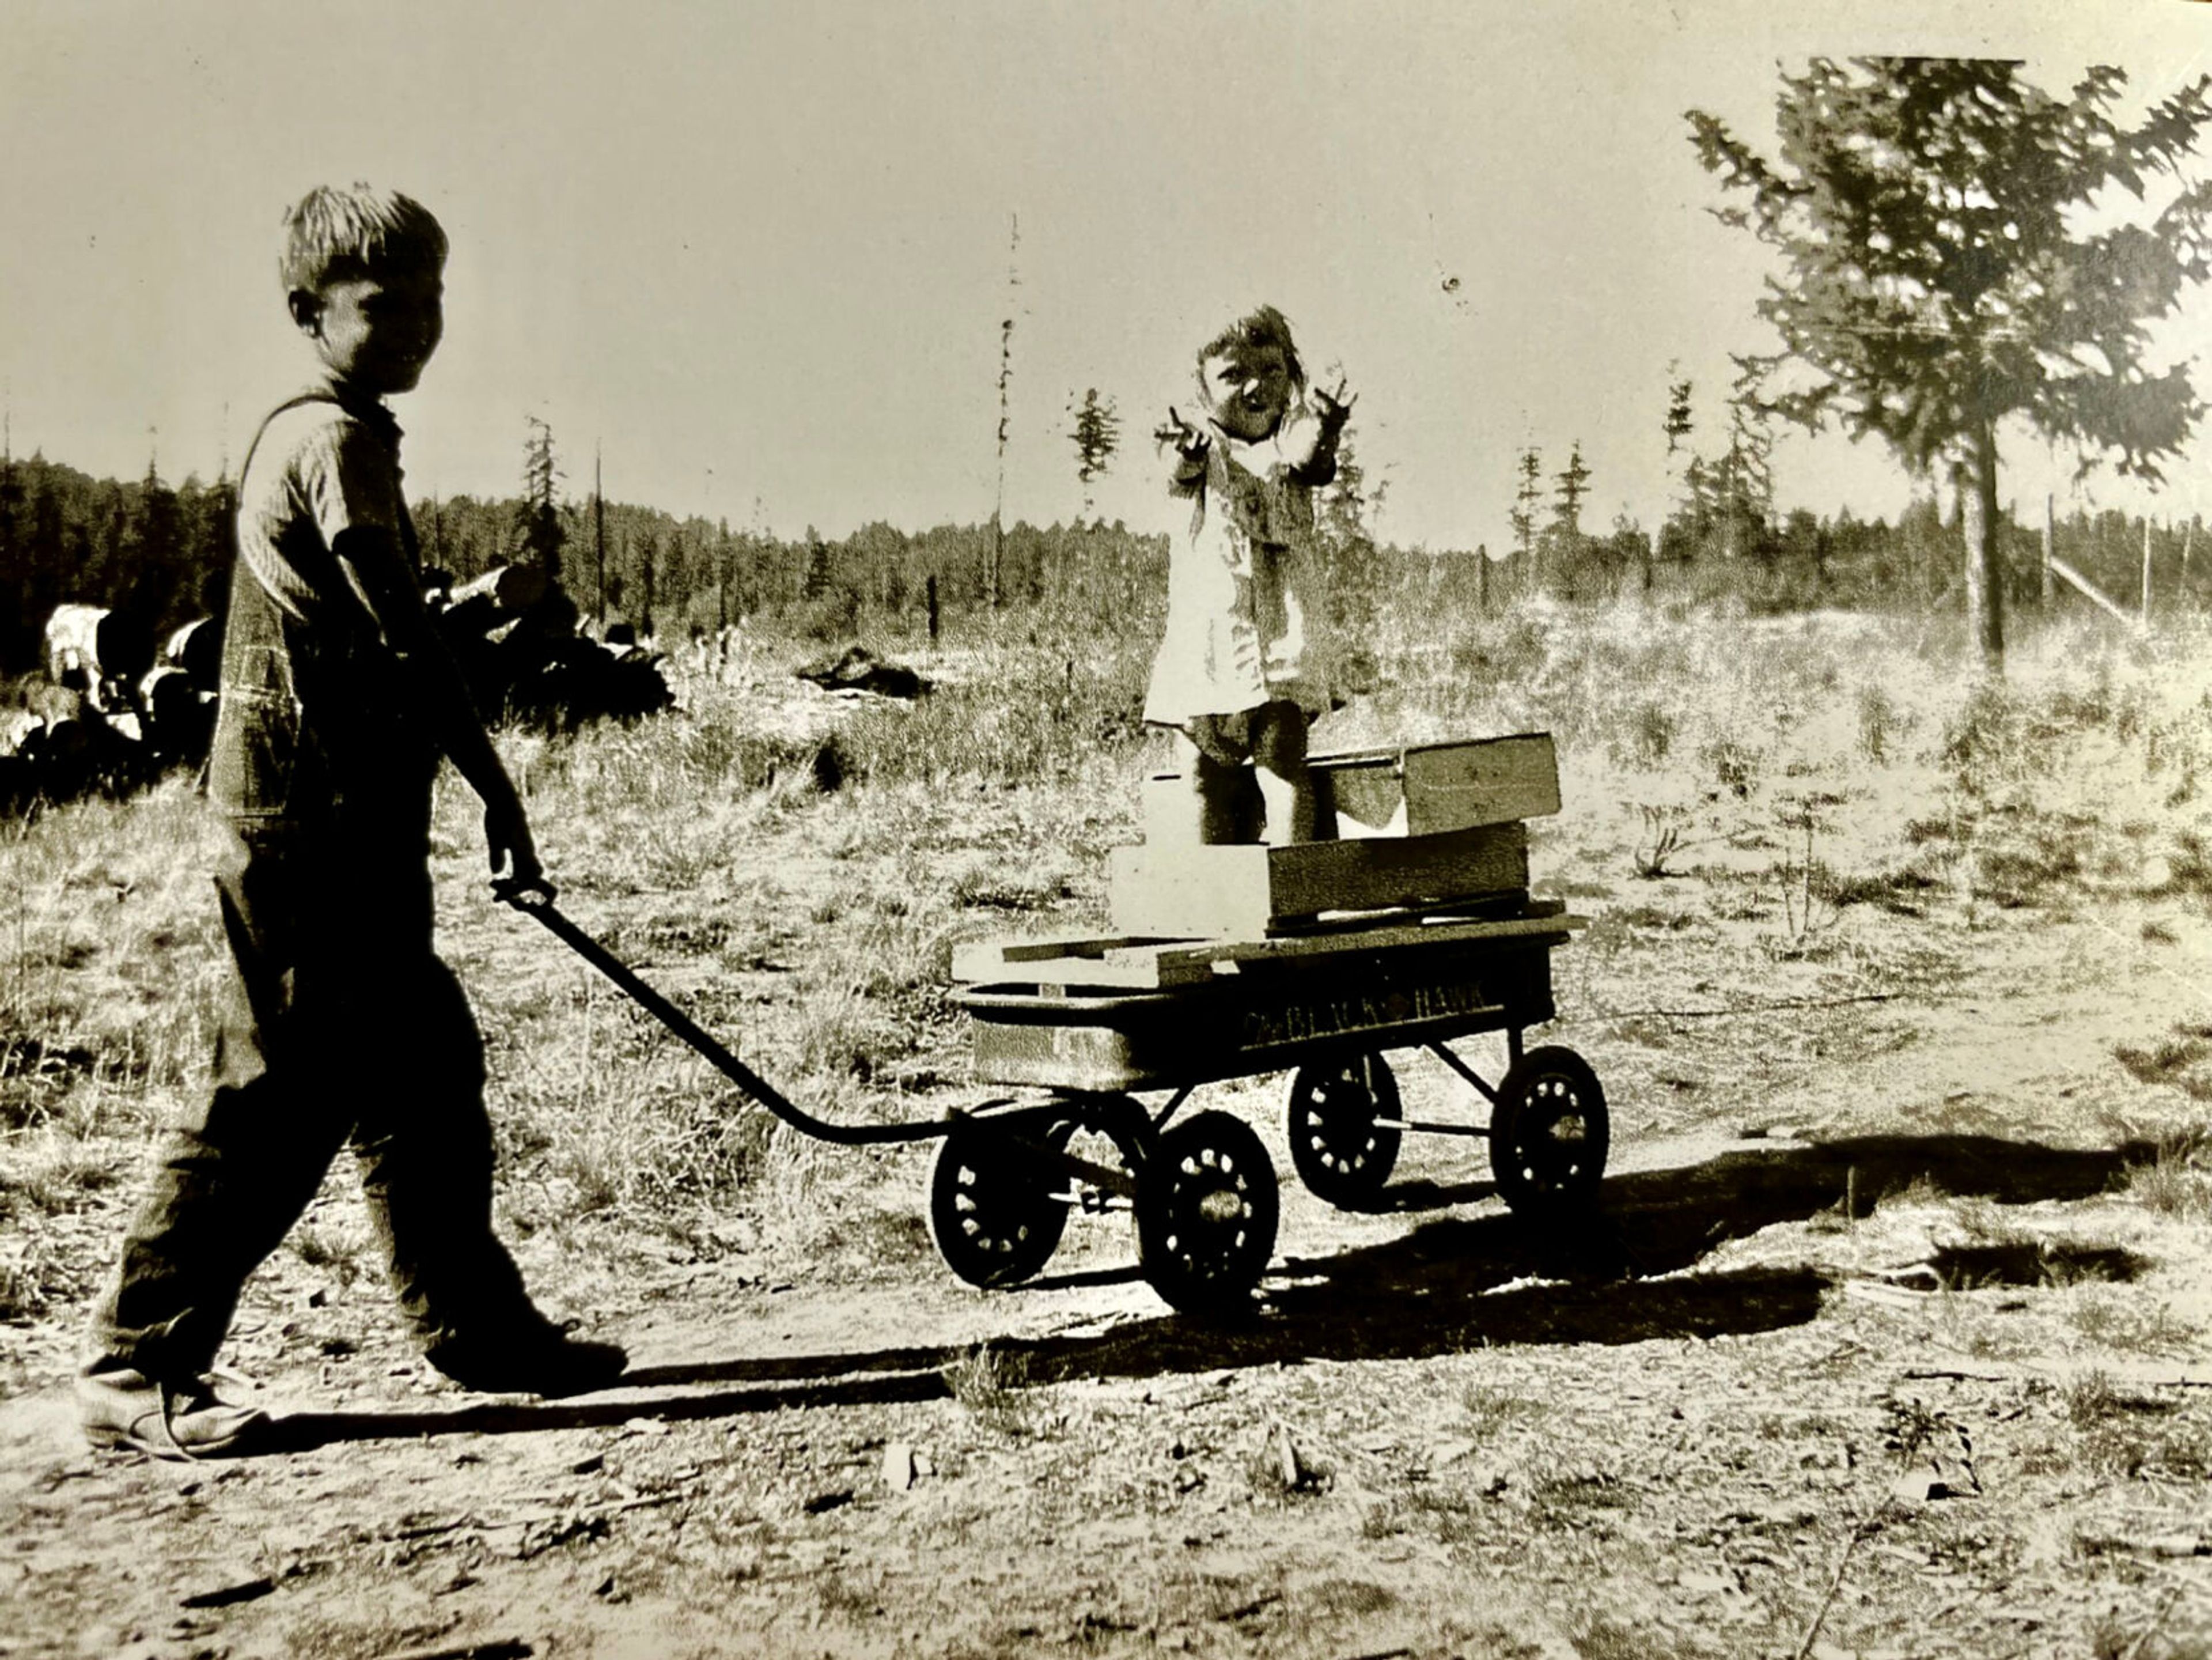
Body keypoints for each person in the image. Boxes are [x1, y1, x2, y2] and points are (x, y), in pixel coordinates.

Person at [78, 184, 626, 1461]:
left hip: (337, 813)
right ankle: (132, 1360)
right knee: (273, 1089)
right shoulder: (335, 440)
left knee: (425, 1067)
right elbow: (403, 637)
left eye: (433, 301)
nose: (420, 325)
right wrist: (496, 785)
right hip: (301, 824)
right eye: (386, 304)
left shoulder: (330, 433)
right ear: (305, 311)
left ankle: (471, 1326)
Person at [1143, 304, 1354, 845]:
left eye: (1271, 370)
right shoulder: (1200, 448)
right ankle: (1207, 900)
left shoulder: (1290, 446)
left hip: (1280, 648)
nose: (1255, 385)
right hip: (1208, 650)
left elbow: (1312, 462)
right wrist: (1186, 450)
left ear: (1293, 380)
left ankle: (1289, 891)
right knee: (1200, 775)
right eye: (1233, 374)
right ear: (1201, 388)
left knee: (1282, 766)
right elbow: (1176, 470)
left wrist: (1326, 426)